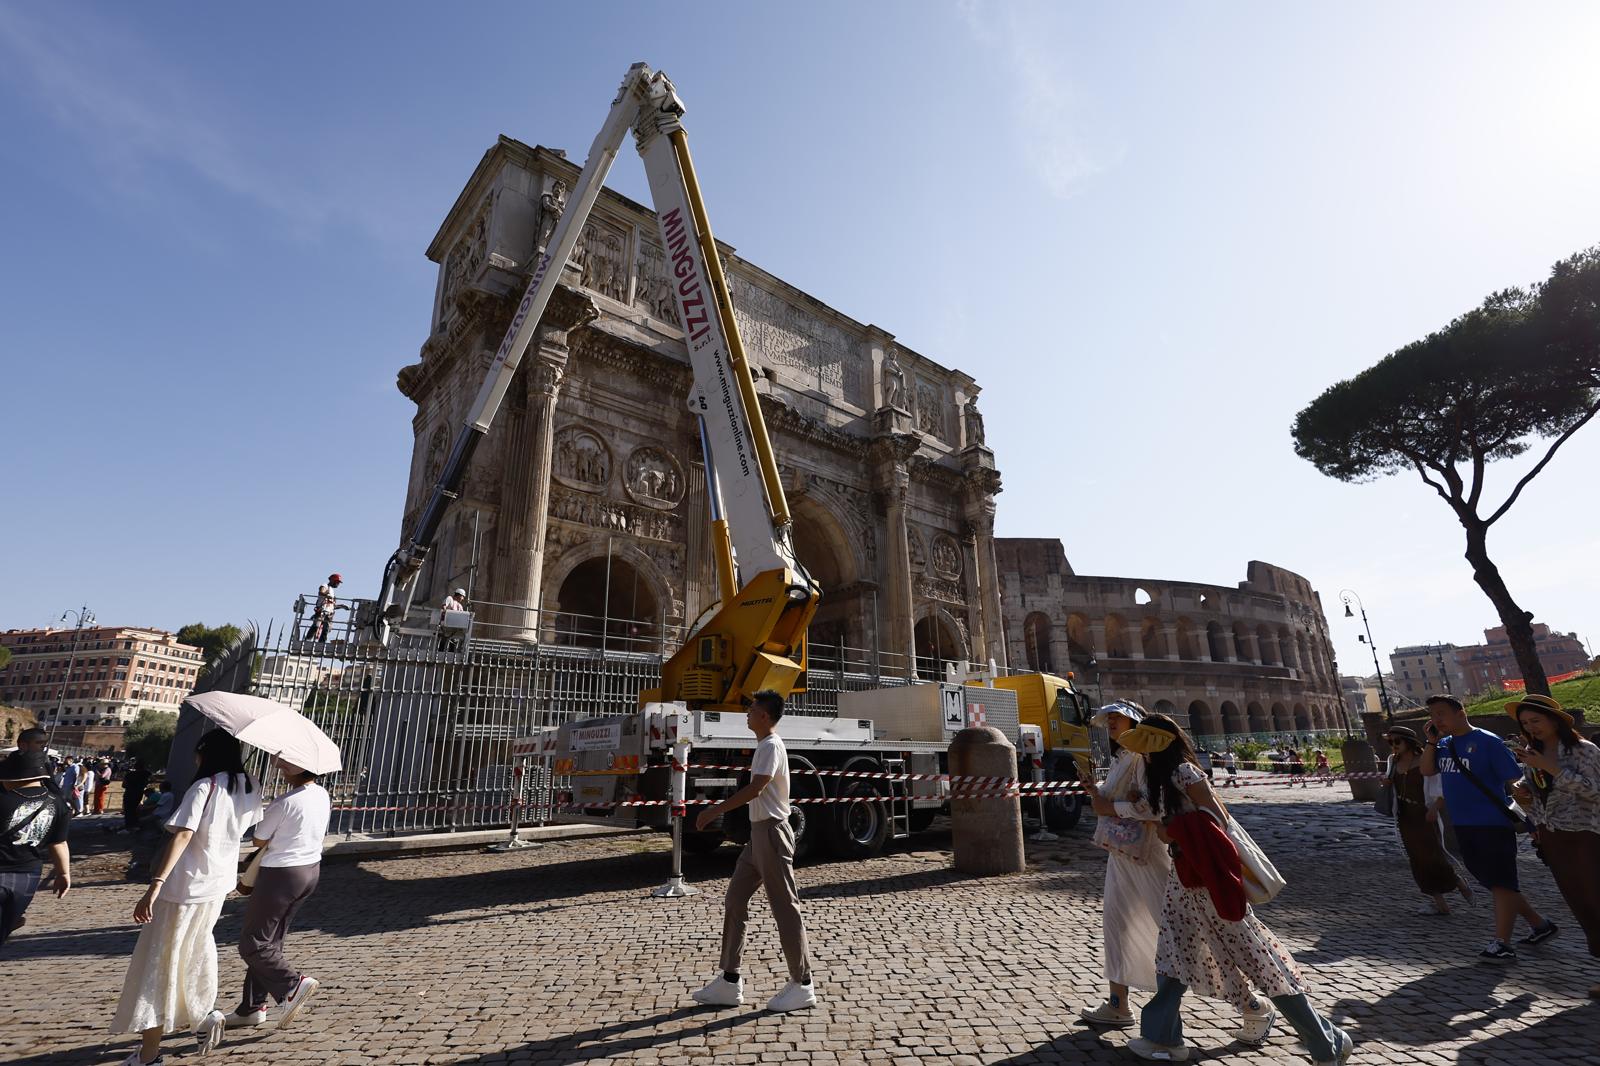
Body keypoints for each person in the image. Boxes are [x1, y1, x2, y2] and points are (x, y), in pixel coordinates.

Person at [1130, 714, 1351, 1065]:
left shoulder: (1186, 772)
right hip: (1184, 877)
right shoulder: (1157, 777)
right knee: (1173, 952)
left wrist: (1175, 831)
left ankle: (1327, 1040)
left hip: (1209, 878)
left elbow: (1218, 818)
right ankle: (1163, 1037)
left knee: (1257, 959)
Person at [111, 731, 262, 1065]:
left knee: (159, 963)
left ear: (205, 754)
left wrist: (155, 884)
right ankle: (202, 1010)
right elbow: (248, 828)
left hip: (183, 887)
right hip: (218, 883)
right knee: (195, 949)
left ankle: (150, 1054)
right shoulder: (250, 784)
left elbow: (182, 835)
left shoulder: (204, 786)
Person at [689, 689, 816, 1013]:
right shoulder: (764, 745)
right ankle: (730, 980)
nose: (746, 711)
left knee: (785, 907)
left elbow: (756, 787)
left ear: (764, 716)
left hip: (771, 833)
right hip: (758, 836)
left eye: (751, 708)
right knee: (735, 899)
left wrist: (713, 811)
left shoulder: (771, 745)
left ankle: (802, 984)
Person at [1421, 693, 1555, 963]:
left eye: (1441, 714)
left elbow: (1517, 784)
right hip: (1463, 824)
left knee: (1502, 882)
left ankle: (1502, 943)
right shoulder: (1443, 745)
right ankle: (1540, 925)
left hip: (1492, 822)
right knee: (1496, 883)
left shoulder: (1488, 742)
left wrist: (1531, 822)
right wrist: (1431, 742)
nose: (1437, 720)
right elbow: (1426, 771)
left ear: (1461, 712)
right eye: (1433, 715)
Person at [1078, 701, 1180, 1031]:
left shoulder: (1140, 758)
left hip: (1147, 854)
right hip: (1122, 853)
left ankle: (1249, 1001)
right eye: (1107, 718)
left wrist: (1111, 807)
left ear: (1133, 722)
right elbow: (1109, 800)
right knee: (1116, 924)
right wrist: (1096, 792)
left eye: (1116, 717)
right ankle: (1118, 1004)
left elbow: (1151, 807)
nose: (1110, 722)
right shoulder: (1121, 757)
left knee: (1179, 929)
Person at [1507, 693, 1600, 998]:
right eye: (1525, 723)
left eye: (1536, 720)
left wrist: (1554, 768)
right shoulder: (1534, 753)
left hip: (1587, 835)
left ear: (1554, 720)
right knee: (1581, 904)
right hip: (1554, 836)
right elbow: (1537, 797)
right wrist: (1524, 795)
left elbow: (1594, 792)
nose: (1531, 727)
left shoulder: (1583, 751)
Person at [229, 756, 331, 1031]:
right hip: (310, 870)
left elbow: (259, 839)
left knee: (253, 944)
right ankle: (251, 1007)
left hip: (280, 874)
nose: (280, 767)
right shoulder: (321, 794)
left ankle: (292, 983)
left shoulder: (285, 801)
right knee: (271, 942)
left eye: (285, 764)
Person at [1382, 725, 1473, 916]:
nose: (1393, 745)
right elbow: (1393, 787)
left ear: (1409, 742)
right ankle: (1440, 903)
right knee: (1417, 859)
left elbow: (1440, 786)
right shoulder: (1392, 761)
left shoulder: (1426, 760)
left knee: (1433, 856)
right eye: (1390, 742)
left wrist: (1435, 807)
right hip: (1405, 816)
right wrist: (1387, 783)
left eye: (1397, 741)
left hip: (1425, 813)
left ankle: (1458, 882)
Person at [0, 749, 72, 951]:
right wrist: (63, 873)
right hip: (27, 878)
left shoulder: (3, 798)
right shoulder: (58, 803)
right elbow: (58, 843)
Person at [304, 573, 346, 642]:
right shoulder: (325, 585)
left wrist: (342, 606)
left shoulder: (332, 591)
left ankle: (321, 643)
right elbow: (321, 591)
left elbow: (332, 605)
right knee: (316, 626)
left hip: (329, 614)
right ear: (333, 580)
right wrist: (326, 595)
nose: (338, 584)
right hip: (321, 611)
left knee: (326, 630)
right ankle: (307, 640)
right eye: (337, 582)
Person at [122, 759, 151, 833]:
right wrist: (145, 783)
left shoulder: (129, 774)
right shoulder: (146, 773)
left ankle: (129, 825)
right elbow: (153, 779)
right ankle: (135, 824)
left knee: (128, 810)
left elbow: (124, 785)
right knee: (134, 808)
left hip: (129, 793)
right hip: (138, 793)